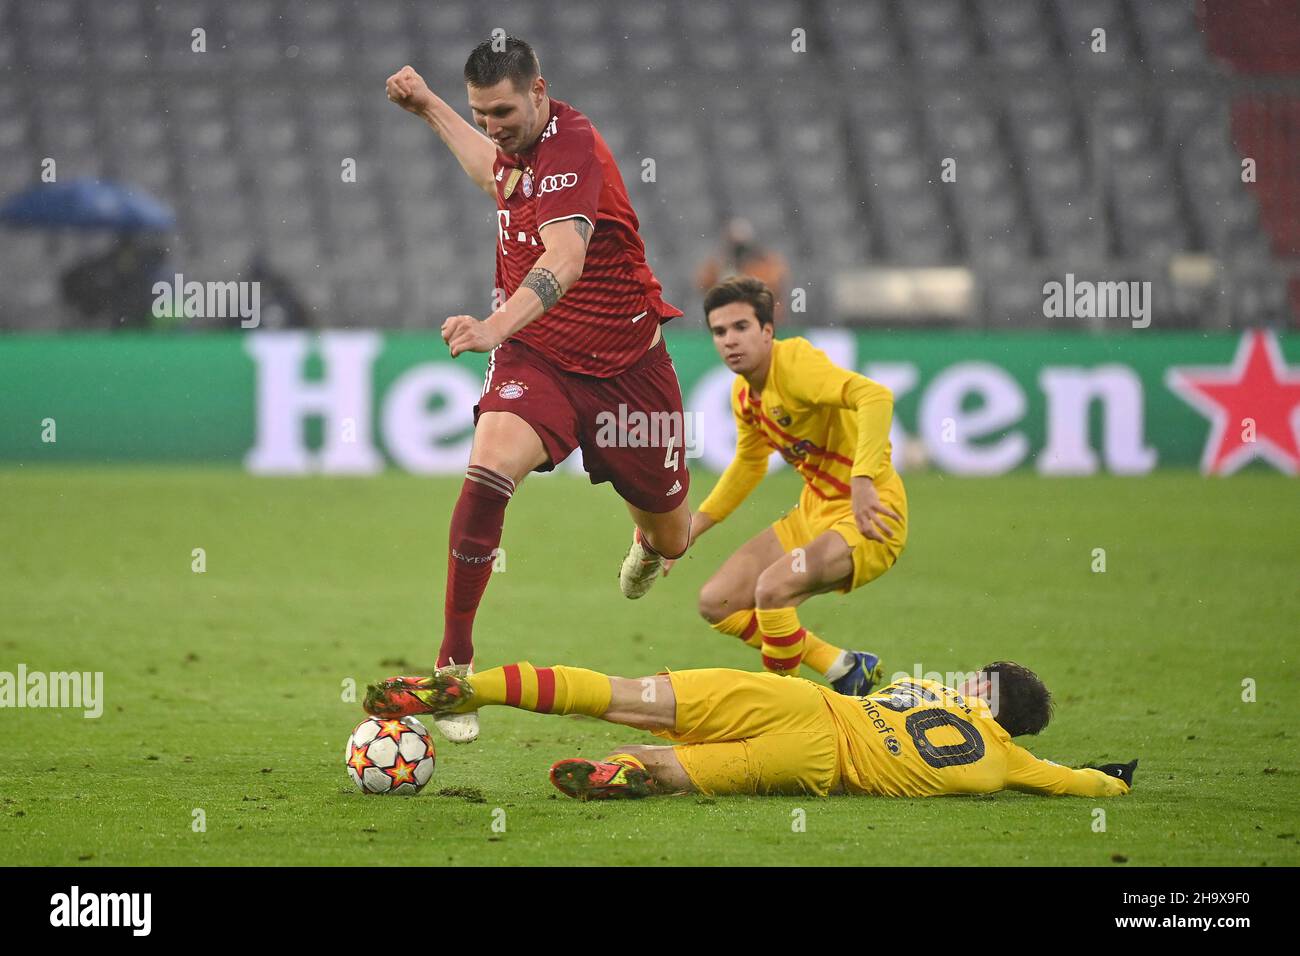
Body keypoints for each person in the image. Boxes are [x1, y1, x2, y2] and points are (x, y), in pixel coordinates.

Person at [382, 38, 692, 742]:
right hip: (540, 358)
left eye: (503, 112)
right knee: (486, 474)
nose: (493, 125)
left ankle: (647, 542)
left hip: (627, 373)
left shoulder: (572, 146)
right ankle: (454, 665)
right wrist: (430, 106)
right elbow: (493, 174)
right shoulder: (514, 146)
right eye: (480, 113)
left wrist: (492, 324)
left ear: (540, 92)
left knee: (672, 536)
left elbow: (567, 256)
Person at [363, 662, 1138, 800]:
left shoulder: (925, 686)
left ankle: (474, 687)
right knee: (670, 764)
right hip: (818, 764)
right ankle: (625, 775)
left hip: (799, 702)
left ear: (980, 688)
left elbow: (860, 681)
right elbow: (1071, 780)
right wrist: (1111, 777)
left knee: (626, 694)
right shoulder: (1004, 765)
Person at [662, 277, 906, 696]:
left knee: (773, 590)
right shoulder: (744, 394)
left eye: (741, 327)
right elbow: (750, 464)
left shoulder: (794, 366)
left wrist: (864, 479)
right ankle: (842, 666)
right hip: (814, 514)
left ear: (767, 331)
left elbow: (875, 396)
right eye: (719, 332)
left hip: (869, 516)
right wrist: (691, 529)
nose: (729, 341)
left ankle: (782, 707)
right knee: (717, 601)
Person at [694, 217, 789, 324]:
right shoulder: (718, 263)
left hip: (761, 317)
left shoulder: (764, 263)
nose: (738, 251)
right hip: (726, 316)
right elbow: (703, 285)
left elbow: (772, 286)